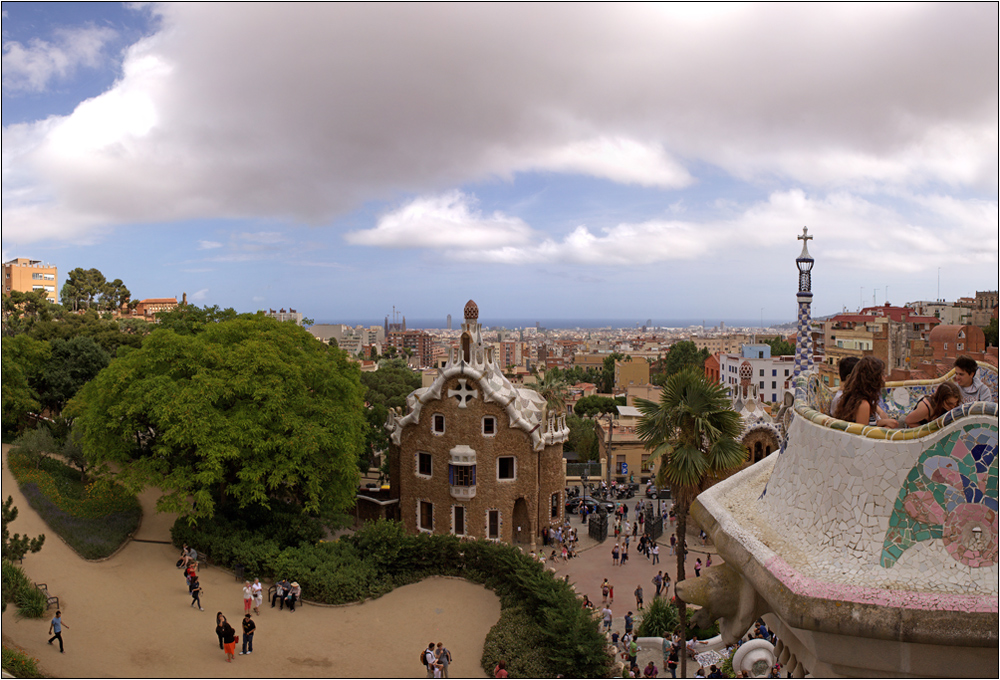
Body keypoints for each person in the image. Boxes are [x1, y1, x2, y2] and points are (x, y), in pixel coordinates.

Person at [832, 356, 898, 427]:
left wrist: (881, 422)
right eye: (882, 374)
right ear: (874, 379)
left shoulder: (858, 399)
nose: (885, 377)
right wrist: (887, 428)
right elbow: (862, 435)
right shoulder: (862, 404)